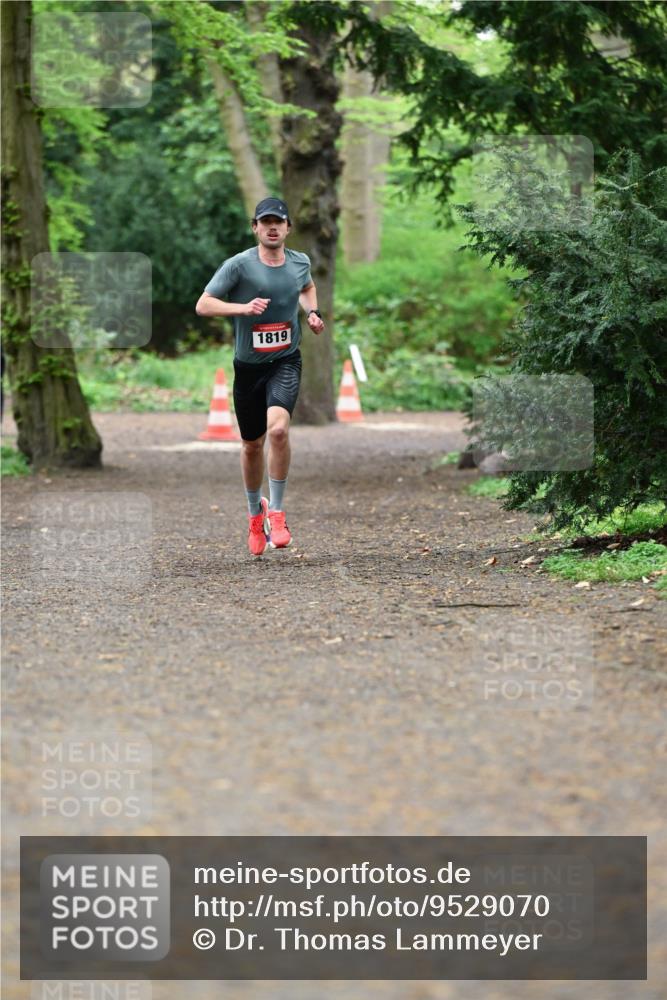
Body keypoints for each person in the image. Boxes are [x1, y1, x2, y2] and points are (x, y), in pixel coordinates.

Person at [196, 197, 325, 555]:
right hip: (249, 367)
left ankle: (279, 512)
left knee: (279, 431)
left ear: (287, 228)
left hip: (285, 360)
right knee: (252, 445)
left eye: (278, 222)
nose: (272, 227)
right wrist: (243, 308)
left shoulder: (300, 261)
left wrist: (312, 312)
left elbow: (307, 287)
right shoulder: (238, 266)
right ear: (255, 227)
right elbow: (203, 304)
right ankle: (256, 515)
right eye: (265, 222)